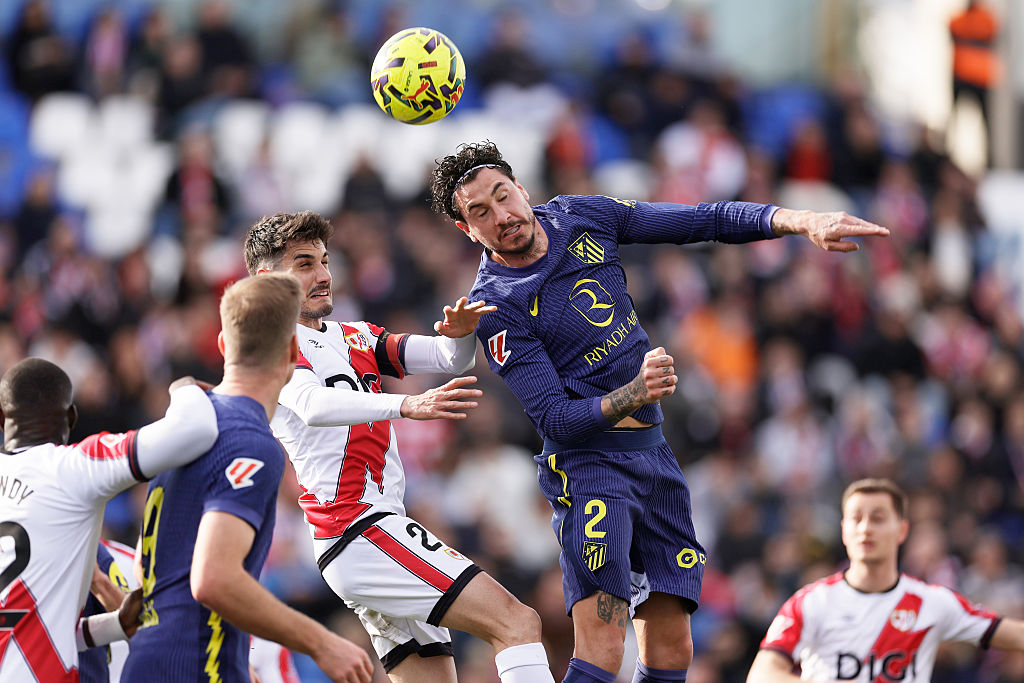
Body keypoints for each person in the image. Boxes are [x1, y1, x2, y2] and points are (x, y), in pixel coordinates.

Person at [428, 141, 891, 683]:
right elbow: (554, 420)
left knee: (673, 647)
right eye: (480, 212)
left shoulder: (582, 215)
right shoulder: (497, 305)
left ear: (522, 189)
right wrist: (634, 392)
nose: (501, 216)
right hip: (588, 470)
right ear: (467, 231)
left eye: (503, 196)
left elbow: (701, 220)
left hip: (653, 455)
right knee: (603, 641)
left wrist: (799, 220)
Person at [244, 210, 555, 683]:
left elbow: (448, 358)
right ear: (269, 278)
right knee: (517, 621)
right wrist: (407, 405)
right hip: (358, 529)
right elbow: (310, 404)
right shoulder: (273, 340)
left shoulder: (357, 335)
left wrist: (462, 331)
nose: (324, 274)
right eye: (304, 263)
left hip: (371, 534)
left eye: (324, 261)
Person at [120, 273, 374, 683]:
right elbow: (213, 578)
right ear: (294, 351)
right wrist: (321, 642)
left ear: (223, 345)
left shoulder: (186, 424)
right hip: (194, 666)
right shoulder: (252, 442)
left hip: (150, 661)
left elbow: (149, 566)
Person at [0, 357, 219, 681]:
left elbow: (23, 625)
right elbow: (197, 430)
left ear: (2, 418)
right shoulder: (72, 468)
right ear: (71, 417)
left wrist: (114, 626)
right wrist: (183, 388)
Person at [747, 478, 1024, 682]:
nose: (866, 528)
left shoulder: (933, 602)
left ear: (902, 530)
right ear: (844, 531)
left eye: (878, 518)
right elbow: (761, 675)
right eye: (856, 519)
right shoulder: (810, 602)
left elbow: (1012, 634)